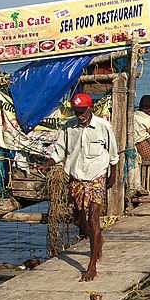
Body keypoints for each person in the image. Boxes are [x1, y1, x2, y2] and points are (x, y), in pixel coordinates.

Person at [42, 93, 119, 282]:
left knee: (93, 219)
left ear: (91, 108)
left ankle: (92, 265)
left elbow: (113, 153)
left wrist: (113, 175)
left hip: (96, 176)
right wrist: (48, 163)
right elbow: (60, 150)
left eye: (83, 111)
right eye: (77, 112)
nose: (80, 115)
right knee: (78, 218)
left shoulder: (102, 126)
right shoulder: (69, 127)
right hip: (76, 176)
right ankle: (97, 239)